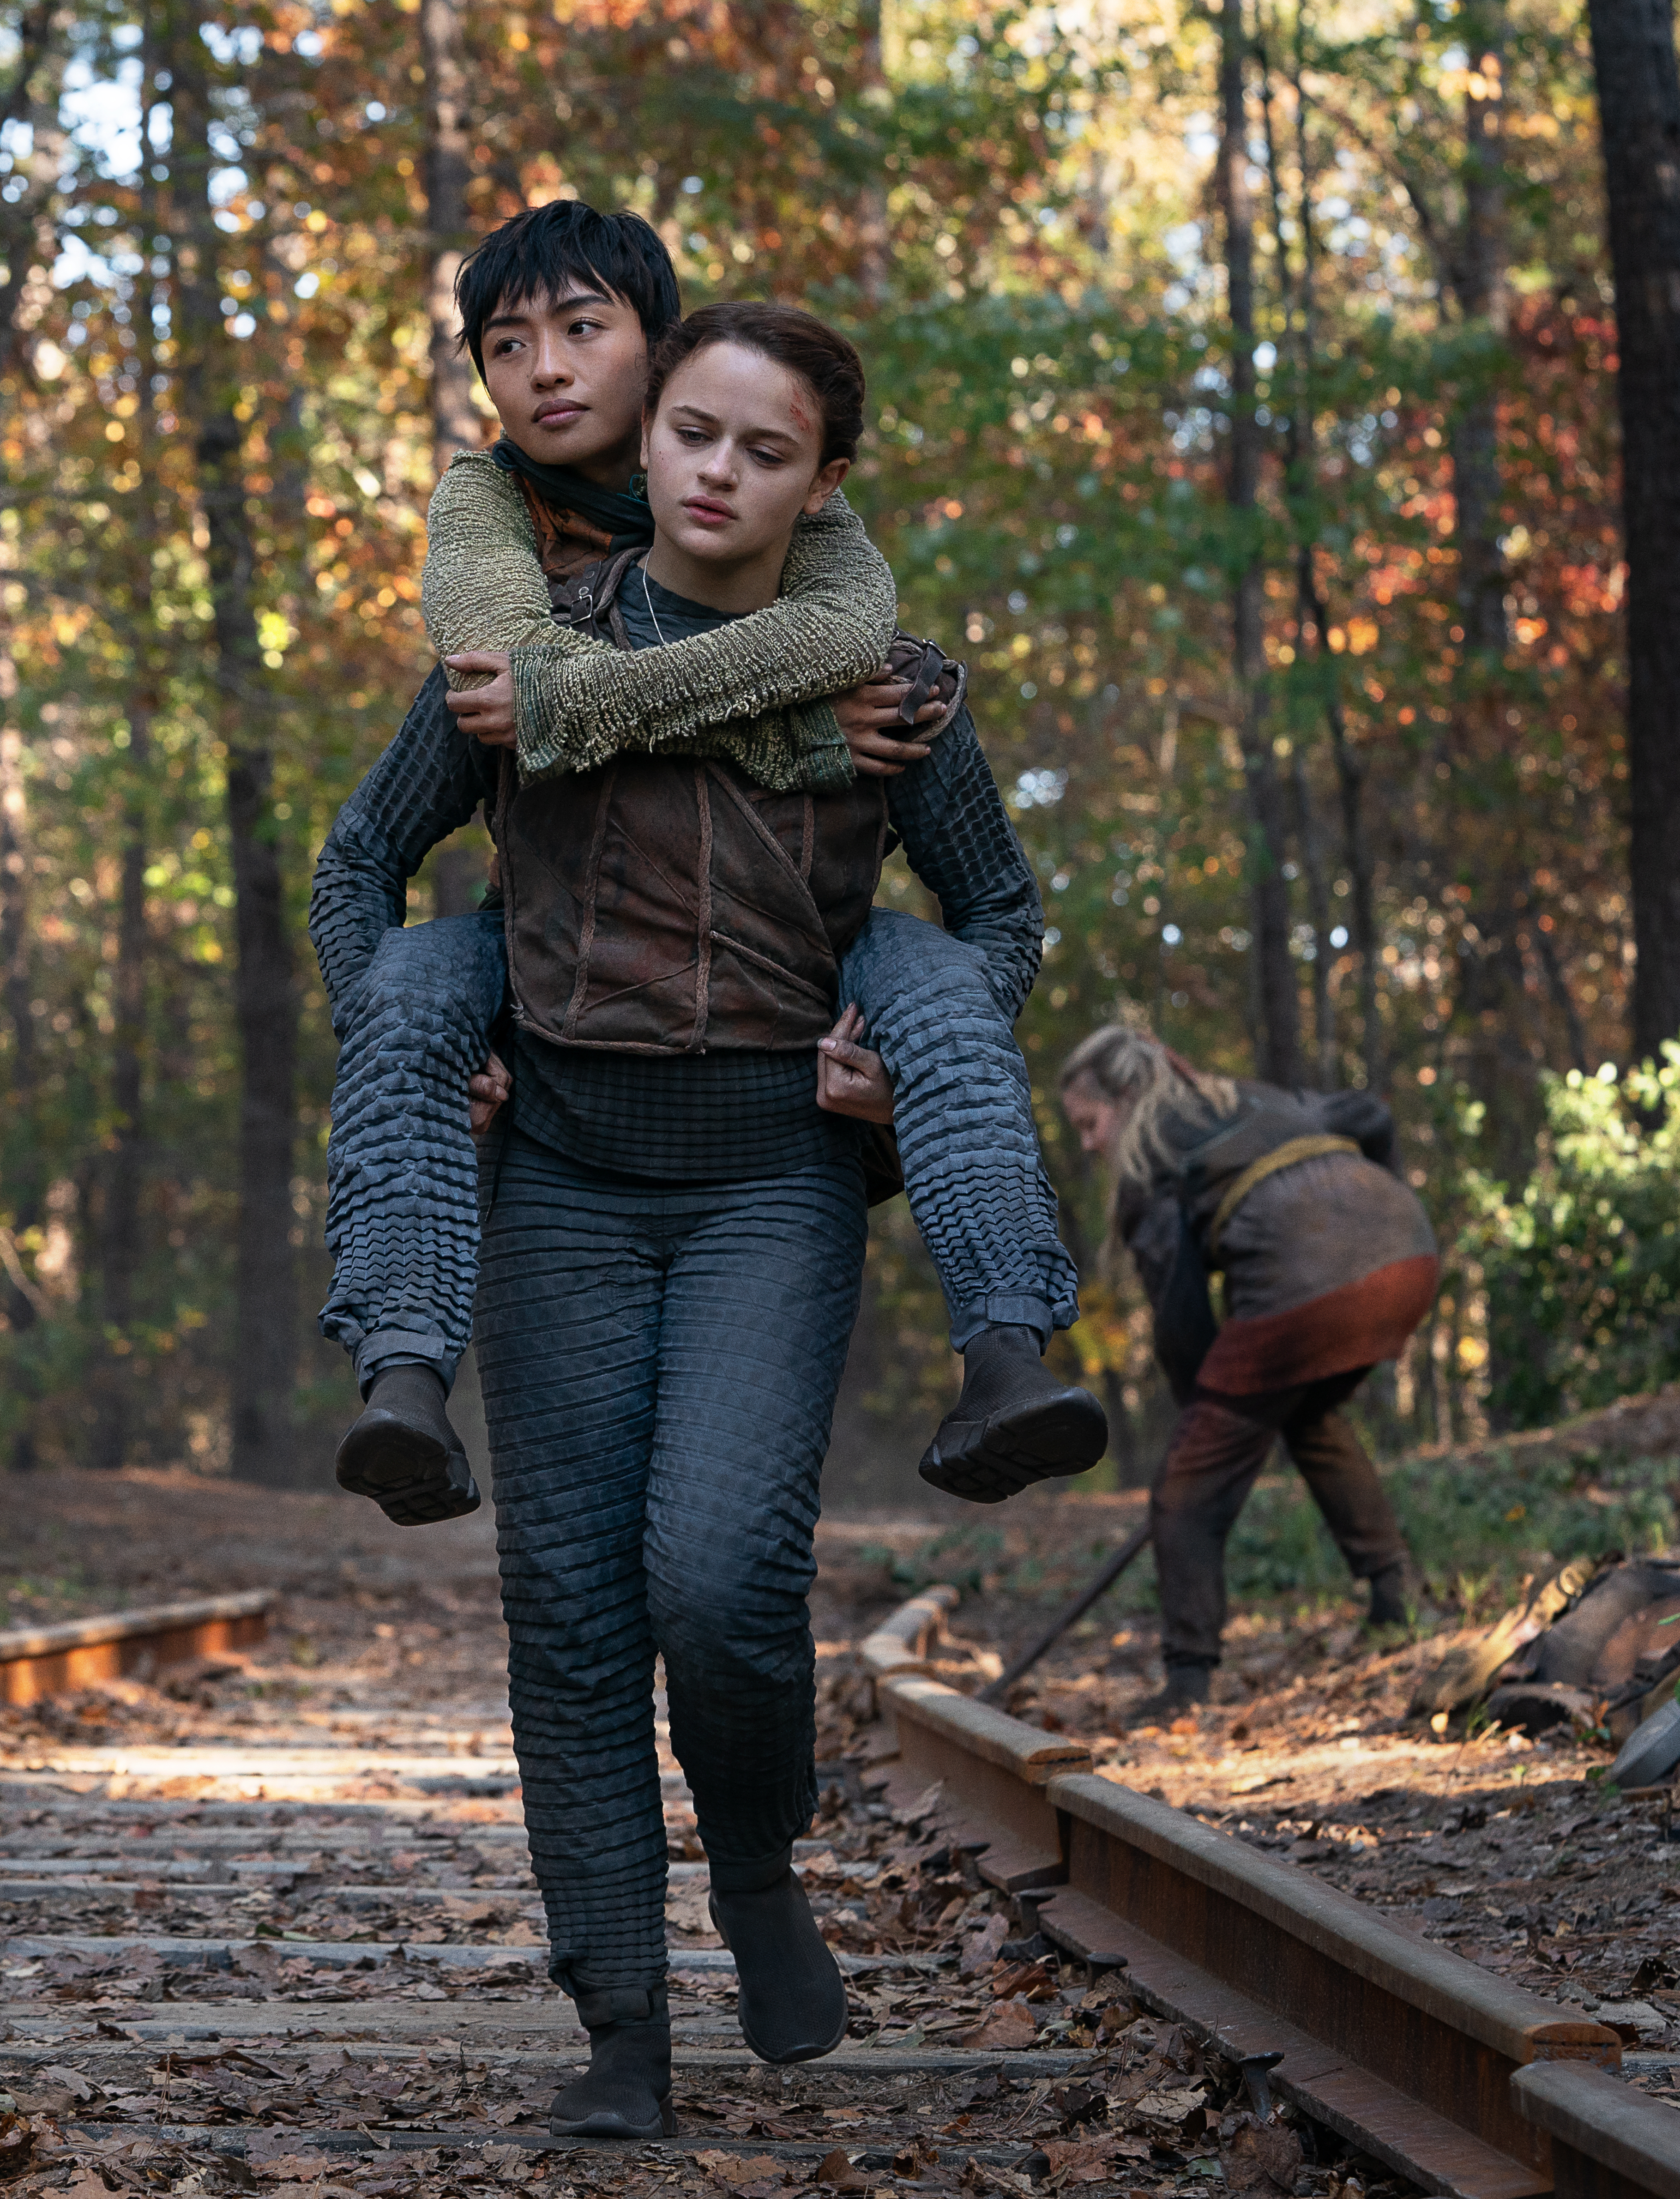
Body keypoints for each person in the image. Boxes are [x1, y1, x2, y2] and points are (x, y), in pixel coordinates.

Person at [322, 300, 1015, 2137]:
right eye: (692, 434)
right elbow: (355, 862)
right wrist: (411, 1048)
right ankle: (620, 2031)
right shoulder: (522, 656)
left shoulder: (894, 692)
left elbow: (1001, 917)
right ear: (646, 447)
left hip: (770, 1193)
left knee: (717, 1583)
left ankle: (763, 1869)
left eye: (763, 449)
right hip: (557, 1181)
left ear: (825, 483)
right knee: (566, 1612)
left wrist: (904, 1055)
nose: (717, 472)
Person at [319, 202, 1100, 1531]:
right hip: (553, 1022)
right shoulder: (499, 521)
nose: (549, 369)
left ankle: (1009, 1352)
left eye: (583, 331)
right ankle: (399, 1369)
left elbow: (1000, 908)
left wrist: (891, 1084)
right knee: (409, 984)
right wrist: (409, 1066)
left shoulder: (839, 587)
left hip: (775, 1085)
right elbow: (483, 748)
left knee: (926, 966)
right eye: (510, 346)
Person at [1054, 1022, 1439, 1718]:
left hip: (1308, 1283)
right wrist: (1385, 1208)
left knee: (1188, 1488)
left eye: (1089, 1123)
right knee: (1311, 1418)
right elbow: (1372, 1117)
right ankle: (1395, 1598)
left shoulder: (1150, 1151)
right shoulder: (1257, 1098)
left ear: (1127, 1094)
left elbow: (1178, 1314)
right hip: (1410, 1252)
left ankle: (1186, 1684)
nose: (1089, 1144)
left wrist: (1202, 1419)